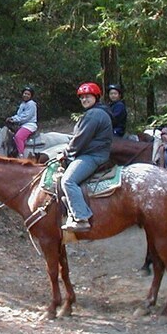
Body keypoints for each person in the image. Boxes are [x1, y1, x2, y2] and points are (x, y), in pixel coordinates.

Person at [60, 82, 113, 232]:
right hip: (95, 152)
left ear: (96, 97)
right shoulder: (97, 112)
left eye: (88, 97)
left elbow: (80, 139)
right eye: (82, 98)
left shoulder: (94, 114)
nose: (84, 100)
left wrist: (66, 153)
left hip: (93, 155)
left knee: (68, 181)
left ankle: (81, 218)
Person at [6, 86, 38, 157]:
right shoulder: (23, 104)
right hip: (23, 125)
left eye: (28, 94)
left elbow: (26, 116)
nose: (26, 95)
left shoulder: (31, 104)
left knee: (18, 137)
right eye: (25, 93)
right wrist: (12, 118)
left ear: (31, 96)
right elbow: (19, 115)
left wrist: (14, 120)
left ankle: (21, 155)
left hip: (29, 125)